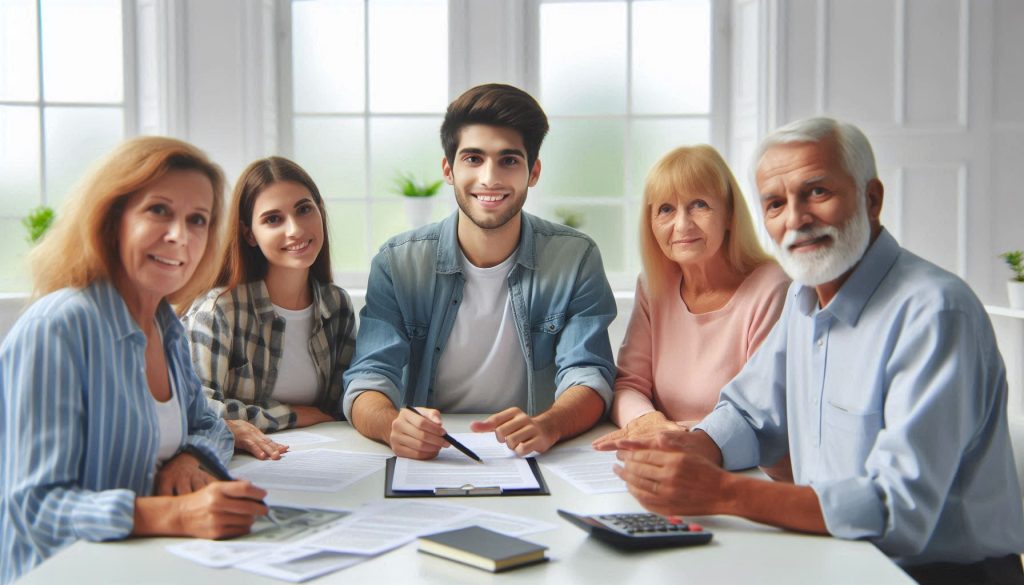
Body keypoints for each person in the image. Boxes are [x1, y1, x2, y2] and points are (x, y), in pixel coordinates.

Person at [597, 117, 1024, 584]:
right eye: (776, 203)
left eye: (817, 192)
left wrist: (723, 493)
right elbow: (749, 412)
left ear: (872, 199)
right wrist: (694, 446)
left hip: (936, 574)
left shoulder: (936, 314)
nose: (796, 219)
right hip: (833, 557)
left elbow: (898, 509)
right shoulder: (804, 300)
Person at [0, 137, 268, 584]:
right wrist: (175, 514)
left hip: (144, 564)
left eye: (197, 220)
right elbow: (35, 507)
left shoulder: (166, 325)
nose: (179, 236)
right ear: (112, 218)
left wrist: (190, 458)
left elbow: (209, 425)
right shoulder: (58, 328)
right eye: (158, 210)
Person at [343, 83, 617, 459]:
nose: (490, 178)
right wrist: (394, 426)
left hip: (532, 453)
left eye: (509, 160)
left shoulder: (576, 258)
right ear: (448, 170)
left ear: (533, 172)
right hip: (432, 456)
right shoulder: (397, 263)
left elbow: (589, 374)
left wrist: (550, 424)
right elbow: (368, 378)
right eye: (473, 159)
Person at [591, 145, 789, 446]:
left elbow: (761, 409)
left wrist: (682, 439)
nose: (682, 225)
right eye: (666, 209)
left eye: (699, 205)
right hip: (663, 453)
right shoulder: (653, 287)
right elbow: (629, 384)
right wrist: (646, 421)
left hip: (738, 464)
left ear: (730, 215)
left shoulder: (772, 287)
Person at [183, 157, 357, 460]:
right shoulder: (218, 311)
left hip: (325, 456)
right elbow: (196, 407)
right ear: (249, 234)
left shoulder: (336, 305)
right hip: (245, 461)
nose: (295, 230)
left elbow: (337, 407)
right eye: (273, 219)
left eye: (304, 210)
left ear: (320, 210)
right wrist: (290, 415)